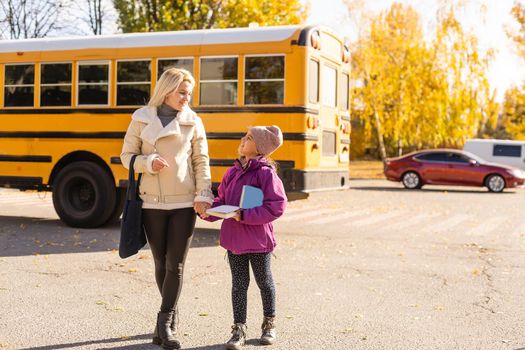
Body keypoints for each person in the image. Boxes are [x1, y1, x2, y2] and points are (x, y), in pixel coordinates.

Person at [120, 68, 213, 350]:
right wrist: (148, 162)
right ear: (167, 90)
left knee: (177, 264)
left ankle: (164, 321)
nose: (187, 98)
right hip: (150, 202)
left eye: (190, 93)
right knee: (160, 262)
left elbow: (201, 160)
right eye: (182, 92)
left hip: (184, 202)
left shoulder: (193, 121)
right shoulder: (141, 118)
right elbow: (126, 157)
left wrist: (203, 193)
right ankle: (169, 320)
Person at [202, 125, 287, 349]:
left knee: (264, 282)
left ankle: (269, 323)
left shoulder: (266, 173)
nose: (242, 139)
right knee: (239, 285)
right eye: (244, 136)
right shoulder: (232, 172)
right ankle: (238, 328)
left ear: (259, 148)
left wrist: (245, 214)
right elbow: (222, 201)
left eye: (248, 138)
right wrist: (208, 212)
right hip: (234, 241)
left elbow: (276, 206)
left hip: (259, 242)